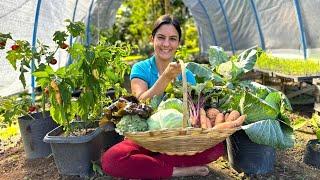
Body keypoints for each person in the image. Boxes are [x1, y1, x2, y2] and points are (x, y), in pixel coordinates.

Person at [101, 14, 245, 179]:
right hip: (147, 138)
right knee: (110, 160)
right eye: (161, 38)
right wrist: (166, 77)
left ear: (178, 43)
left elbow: (194, 113)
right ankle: (177, 170)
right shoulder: (140, 68)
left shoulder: (186, 74)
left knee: (217, 149)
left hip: (179, 142)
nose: (166, 44)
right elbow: (140, 101)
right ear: (152, 39)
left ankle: (148, 165)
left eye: (172, 39)